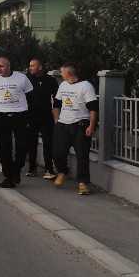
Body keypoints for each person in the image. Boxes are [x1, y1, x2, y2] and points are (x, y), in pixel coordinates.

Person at [0, 57, 34, 188]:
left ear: (8, 66)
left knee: (22, 146)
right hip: (2, 116)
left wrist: (28, 115)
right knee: (3, 147)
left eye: (1, 66)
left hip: (20, 115)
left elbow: (31, 96)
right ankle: (8, 176)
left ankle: (16, 170)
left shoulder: (22, 78)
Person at [52, 64, 98, 195]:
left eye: (62, 73)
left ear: (69, 73)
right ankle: (62, 171)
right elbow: (56, 104)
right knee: (57, 152)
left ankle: (83, 183)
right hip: (62, 124)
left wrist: (91, 125)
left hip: (80, 125)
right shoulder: (63, 85)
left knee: (82, 155)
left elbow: (93, 108)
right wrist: (56, 120)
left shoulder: (86, 86)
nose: (61, 75)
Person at [26, 58, 59, 179]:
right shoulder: (27, 80)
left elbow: (56, 99)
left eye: (32, 65)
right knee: (31, 143)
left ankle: (49, 169)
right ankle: (32, 168)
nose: (30, 67)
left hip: (46, 117)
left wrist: (56, 116)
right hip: (31, 117)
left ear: (40, 67)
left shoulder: (51, 80)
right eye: (30, 65)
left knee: (48, 144)